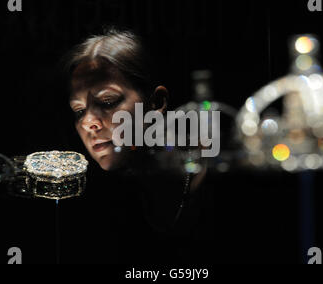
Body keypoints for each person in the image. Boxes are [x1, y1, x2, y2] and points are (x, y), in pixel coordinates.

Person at [63, 28, 212, 263]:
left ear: (156, 101)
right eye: (79, 111)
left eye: (107, 101)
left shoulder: (220, 179)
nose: (88, 122)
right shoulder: (96, 206)